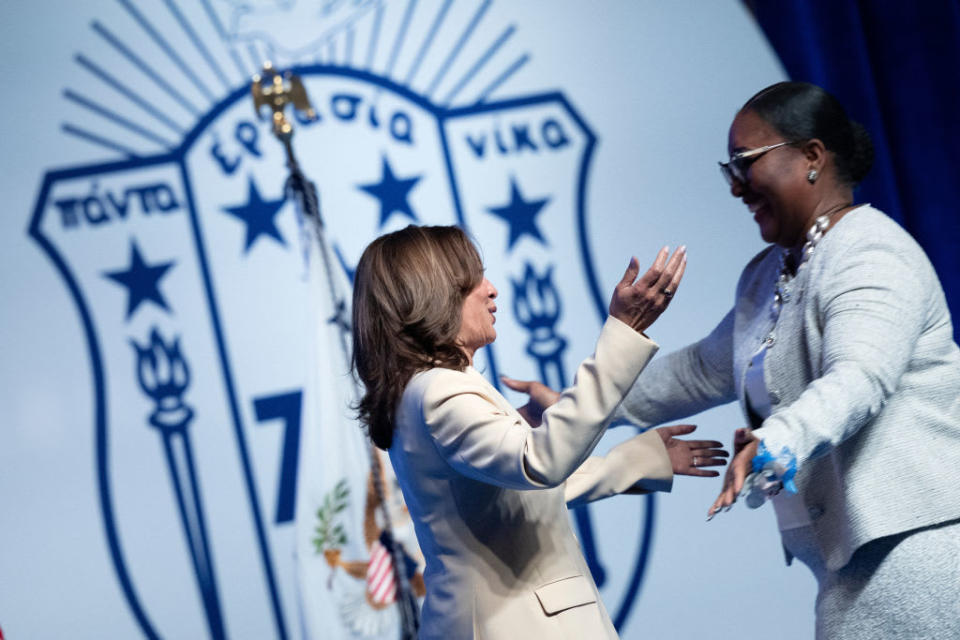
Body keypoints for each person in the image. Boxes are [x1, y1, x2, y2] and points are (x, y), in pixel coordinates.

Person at [514, 81, 960, 638]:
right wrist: (579, 405)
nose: (735, 187)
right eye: (728, 170)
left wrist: (780, 439)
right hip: (850, 566)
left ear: (812, 157)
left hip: (917, 548)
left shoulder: (871, 250)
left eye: (744, 163)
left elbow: (860, 377)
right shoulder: (767, 273)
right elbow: (698, 370)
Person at [350, 224, 727, 639]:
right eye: (473, 278)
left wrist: (637, 460)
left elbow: (516, 500)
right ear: (431, 295)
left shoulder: (431, 388)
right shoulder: (440, 390)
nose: (491, 289)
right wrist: (624, 331)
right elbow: (540, 463)